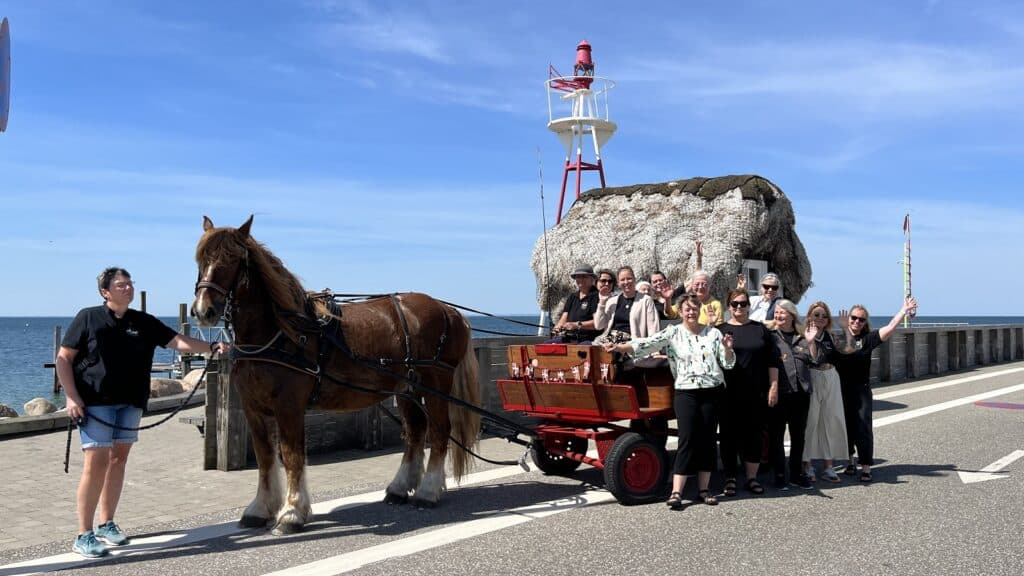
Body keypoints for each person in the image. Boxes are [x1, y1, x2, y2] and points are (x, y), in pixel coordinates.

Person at [57, 267, 231, 558]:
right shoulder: (88, 317)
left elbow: (178, 342)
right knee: (95, 464)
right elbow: (64, 358)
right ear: (105, 292)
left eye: (129, 284)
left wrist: (212, 345)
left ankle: (106, 523)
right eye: (121, 285)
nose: (127, 289)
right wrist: (72, 397)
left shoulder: (143, 322)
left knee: (118, 460)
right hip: (95, 402)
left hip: (131, 402)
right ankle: (83, 534)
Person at [604, 294, 735, 508]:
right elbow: (646, 344)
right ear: (681, 312)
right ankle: (676, 492)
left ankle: (704, 490)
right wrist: (620, 348)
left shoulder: (713, 333)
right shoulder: (673, 332)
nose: (691, 312)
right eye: (687, 309)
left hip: (712, 391)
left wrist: (728, 348)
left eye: (694, 308)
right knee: (687, 439)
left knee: (708, 441)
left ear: (699, 309)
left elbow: (727, 364)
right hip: (686, 392)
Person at [834, 297, 918, 482]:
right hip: (841, 390)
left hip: (861, 390)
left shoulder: (868, 339)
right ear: (848, 318)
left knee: (863, 428)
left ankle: (865, 466)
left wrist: (903, 310)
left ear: (865, 323)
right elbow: (840, 351)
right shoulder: (839, 338)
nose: (856, 322)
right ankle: (850, 462)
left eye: (861, 319)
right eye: (854, 318)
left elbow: (890, 328)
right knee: (845, 427)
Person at [718, 288, 780, 496]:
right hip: (727, 393)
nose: (739, 307)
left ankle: (751, 478)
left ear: (748, 306)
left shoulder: (760, 329)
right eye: (734, 304)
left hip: (756, 392)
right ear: (729, 306)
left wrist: (774, 386)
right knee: (728, 436)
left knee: (753, 434)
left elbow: (773, 360)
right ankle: (730, 478)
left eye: (743, 304)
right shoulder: (720, 330)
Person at [765, 299, 820, 490]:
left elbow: (814, 360)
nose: (779, 316)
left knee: (798, 437)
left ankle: (796, 473)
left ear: (792, 315)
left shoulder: (802, 336)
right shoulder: (770, 336)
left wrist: (811, 341)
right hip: (779, 393)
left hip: (801, 393)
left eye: (783, 313)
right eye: (776, 313)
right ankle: (779, 474)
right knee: (776, 436)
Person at [801, 301, 847, 483]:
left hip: (831, 376)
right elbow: (813, 358)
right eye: (816, 314)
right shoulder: (803, 335)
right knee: (811, 422)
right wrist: (810, 341)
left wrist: (846, 331)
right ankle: (807, 464)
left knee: (830, 420)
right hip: (813, 376)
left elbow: (846, 351)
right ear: (809, 316)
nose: (820, 318)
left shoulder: (829, 336)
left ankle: (829, 466)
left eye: (824, 315)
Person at [593, 266, 659, 345]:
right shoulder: (612, 301)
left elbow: (653, 327)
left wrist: (655, 349)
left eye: (629, 278)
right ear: (618, 282)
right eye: (622, 280)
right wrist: (602, 302)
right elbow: (598, 326)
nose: (626, 282)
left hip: (631, 343)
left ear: (634, 279)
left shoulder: (646, 300)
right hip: (609, 340)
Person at [550, 265, 601, 343]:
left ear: (592, 279)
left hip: (589, 339)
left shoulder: (596, 296)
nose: (580, 279)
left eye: (584, 276)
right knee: (547, 345)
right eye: (578, 277)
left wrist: (577, 325)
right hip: (569, 338)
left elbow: (597, 323)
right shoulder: (572, 297)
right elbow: (563, 318)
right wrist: (557, 329)